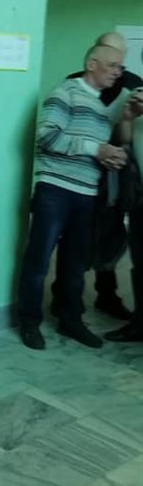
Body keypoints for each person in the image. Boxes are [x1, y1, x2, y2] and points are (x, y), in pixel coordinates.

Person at [17, 43, 127, 351]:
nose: (118, 72)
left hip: (86, 194)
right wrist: (96, 149)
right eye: (112, 65)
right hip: (55, 190)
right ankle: (29, 322)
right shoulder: (64, 93)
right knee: (39, 260)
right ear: (92, 64)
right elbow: (46, 137)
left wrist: (110, 157)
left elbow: (91, 151)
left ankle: (70, 320)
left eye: (120, 67)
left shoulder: (102, 108)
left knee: (75, 264)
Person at [54, 31, 143, 320]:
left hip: (114, 175)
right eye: (111, 58)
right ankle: (64, 296)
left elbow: (128, 137)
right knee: (73, 235)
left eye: (121, 60)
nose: (117, 66)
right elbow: (60, 131)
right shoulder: (73, 83)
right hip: (77, 172)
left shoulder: (133, 84)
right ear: (96, 55)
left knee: (111, 232)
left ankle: (107, 294)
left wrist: (122, 130)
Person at [105, 87, 143, 342]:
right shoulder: (138, 98)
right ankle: (139, 325)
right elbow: (128, 143)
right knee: (139, 264)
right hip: (139, 199)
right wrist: (128, 118)